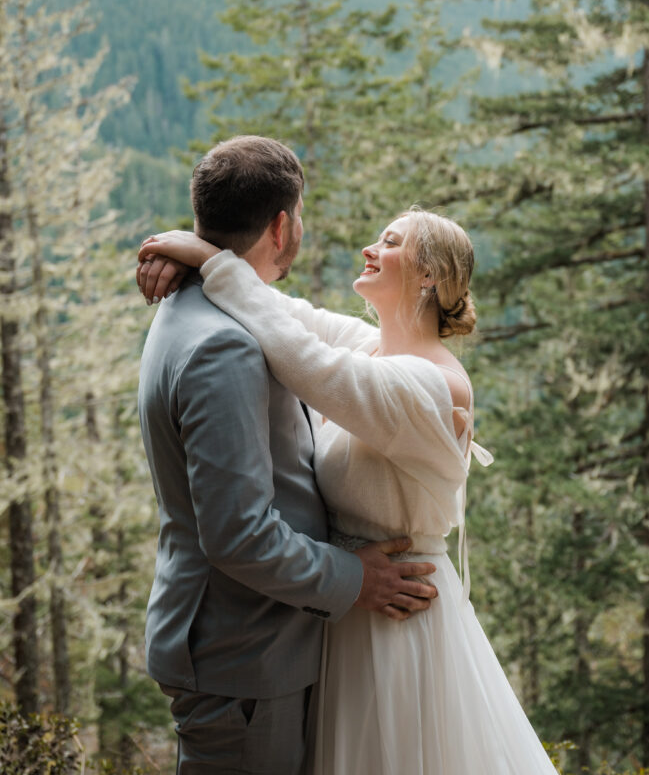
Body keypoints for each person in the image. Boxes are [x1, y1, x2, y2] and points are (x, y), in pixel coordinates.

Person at [138, 202, 561, 775]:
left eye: (389, 242)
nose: (370, 248)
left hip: (397, 617)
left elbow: (309, 362)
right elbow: (286, 314)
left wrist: (206, 259)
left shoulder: (431, 384)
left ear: (430, 274)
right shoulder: (376, 350)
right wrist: (195, 253)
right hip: (349, 612)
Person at [136, 135, 439, 775]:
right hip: (242, 656)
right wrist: (358, 578)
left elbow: (302, 332)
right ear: (282, 226)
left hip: (249, 647)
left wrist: (205, 258)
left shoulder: (198, 310)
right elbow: (239, 534)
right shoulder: (227, 344)